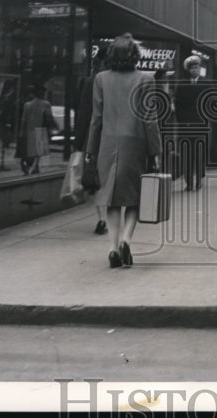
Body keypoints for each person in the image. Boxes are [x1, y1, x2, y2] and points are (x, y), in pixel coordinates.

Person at [85, 33, 162, 269]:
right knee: (135, 198)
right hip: (135, 144)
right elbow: (150, 119)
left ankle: (112, 247)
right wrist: (155, 151)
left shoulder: (100, 79)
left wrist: (91, 150)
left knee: (111, 200)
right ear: (135, 56)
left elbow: (96, 118)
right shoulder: (146, 79)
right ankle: (126, 241)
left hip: (107, 144)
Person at [75, 50, 108, 234]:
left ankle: (102, 218)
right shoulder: (118, 82)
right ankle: (108, 217)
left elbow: (84, 112)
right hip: (115, 136)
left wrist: (79, 141)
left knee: (96, 178)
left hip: (93, 135)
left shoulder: (90, 82)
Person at [173, 54, 208, 191]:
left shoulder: (206, 84)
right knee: (187, 154)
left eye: (197, 67)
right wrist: (183, 121)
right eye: (192, 68)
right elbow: (178, 104)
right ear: (188, 70)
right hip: (186, 126)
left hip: (200, 125)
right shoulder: (182, 85)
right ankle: (189, 183)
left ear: (200, 68)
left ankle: (199, 180)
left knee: (199, 154)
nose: (194, 70)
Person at [18, 84, 57, 175]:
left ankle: (28, 165)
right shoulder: (46, 104)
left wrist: (21, 132)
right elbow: (49, 118)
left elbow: (24, 119)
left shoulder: (27, 105)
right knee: (38, 151)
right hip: (41, 130)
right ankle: (35, 166)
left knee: (29, 150)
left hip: (30, 129)